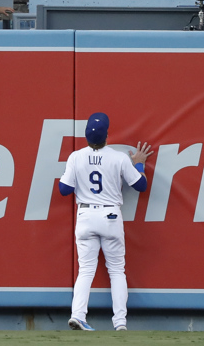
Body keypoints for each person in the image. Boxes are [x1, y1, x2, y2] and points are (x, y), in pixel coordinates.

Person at [59, 112, 152, 333]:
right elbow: (141, 186)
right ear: (107, 135)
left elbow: (64, 189)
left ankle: (77, 315)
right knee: (117, 270)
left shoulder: (76, 157)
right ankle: (120, 322)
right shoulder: (119, 157)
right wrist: (139, 165)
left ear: (86, 136)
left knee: (85, 270)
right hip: (110, 215)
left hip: (85, 215)